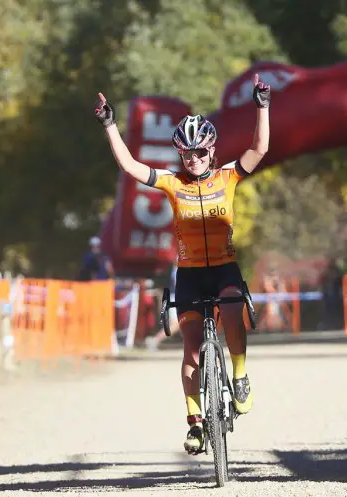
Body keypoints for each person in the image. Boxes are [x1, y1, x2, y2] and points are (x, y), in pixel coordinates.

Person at [94, 74, 270, 455]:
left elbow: (259, 147)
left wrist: (262, 105)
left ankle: (239, 375)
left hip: (224, 269)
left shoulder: (228, 177)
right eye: (187, 155)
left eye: (200, 153)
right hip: (190, 275)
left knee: (235, 310)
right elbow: (129, 166)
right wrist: (110, 125)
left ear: (211, 151)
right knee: (191, 352)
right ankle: (195, 423)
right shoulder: (174, 184)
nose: (194, 160)